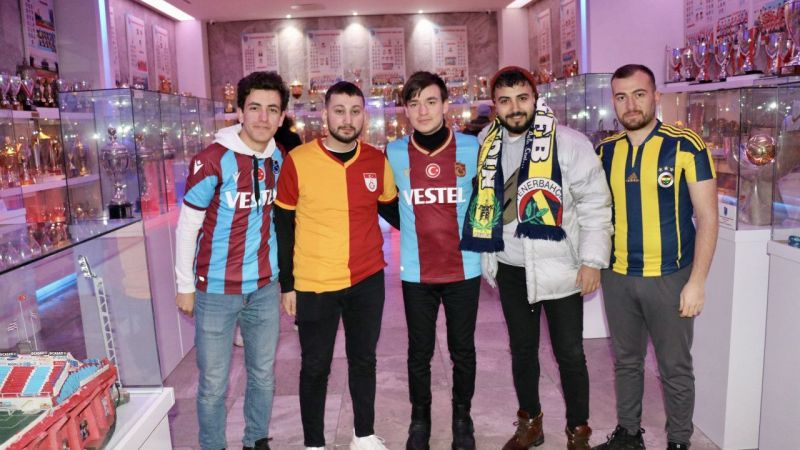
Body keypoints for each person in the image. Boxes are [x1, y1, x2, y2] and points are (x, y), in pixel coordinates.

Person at [460, 66, 613, 450]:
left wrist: (592, 261)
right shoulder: (486, 143)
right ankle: (531, 423)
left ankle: (578, 431)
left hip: (561, 268)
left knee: (570, 355)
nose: (515, 108)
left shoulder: (569, 143)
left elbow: (596, 205)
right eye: (505, 101)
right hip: (511, 266)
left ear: (536, 99)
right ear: (494, 105)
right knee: (523, 351)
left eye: (522, 99)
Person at [592, 64, 718, 450]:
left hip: (670, 276)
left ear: (656, 97)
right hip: (618, 276)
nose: (630, 104)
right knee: (626, 361)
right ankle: (629, 435)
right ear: (613, 101)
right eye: (621, 96)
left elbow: (708, 217)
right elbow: (595, 214)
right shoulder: (605, 151)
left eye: (639, 94)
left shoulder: (686, 145)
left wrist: (697, 282)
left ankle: (679, 442)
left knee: (674, 367)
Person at [274, 81, 398, 450]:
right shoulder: (298, 161)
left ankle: (364, 435)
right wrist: (287, 284)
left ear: (364, 116)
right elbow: (283, 225)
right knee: (315, 366)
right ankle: (314, 443)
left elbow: (394, 211)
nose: (347, 119)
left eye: (355, 111)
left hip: (367, 279)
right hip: (315, 282)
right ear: (325, 113)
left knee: (364, 360)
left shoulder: (376, 160)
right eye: (339, 111)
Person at [174, 71, 289, 450]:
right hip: (215, 291)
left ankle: (256, 440)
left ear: (282, 117)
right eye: (254, 107)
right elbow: (187, 226)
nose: (262, 117)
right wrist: (184, 286)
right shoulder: (212, 160)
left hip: (264, 288)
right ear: (239, 112)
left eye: (272, 109)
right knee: (212, 383)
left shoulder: (279, 158)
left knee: (263, 374)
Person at [384, 71, 481, 450]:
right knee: (419, 352)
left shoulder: (472, 148)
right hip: (416, 272)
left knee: (463, 350)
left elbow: (485, 199)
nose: (422, 111)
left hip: (464, 268)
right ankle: (419, 420)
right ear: (406, 110)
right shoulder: (394, 153)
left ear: (445, 105)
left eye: (430, 102)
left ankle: (462, 418)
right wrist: (413, 225)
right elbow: (385, 203)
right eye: (414, 104)